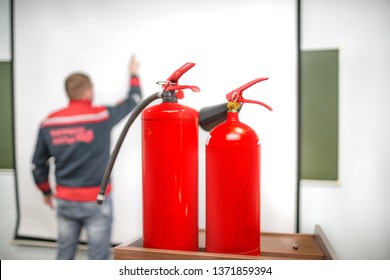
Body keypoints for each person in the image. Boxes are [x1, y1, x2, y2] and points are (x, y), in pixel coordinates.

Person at [31, 55, 142, 259]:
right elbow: (134, 100)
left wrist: (46, 192)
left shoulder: (49, 122)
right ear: (89, 91)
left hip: (65, 200)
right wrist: (133, 73)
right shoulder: (100, 116)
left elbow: (38, 164)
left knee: (64, 255)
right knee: (98, 258)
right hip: (97, 201)